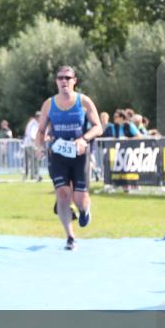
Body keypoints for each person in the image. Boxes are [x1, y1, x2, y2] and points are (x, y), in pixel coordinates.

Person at [34, 66, 102, 251]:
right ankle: (70, 237)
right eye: (60, 78)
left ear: (74, 81)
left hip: (79, 155)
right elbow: (40, 131)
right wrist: (40, 146)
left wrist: (84, 139)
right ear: (56, 81)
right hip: (57, 155)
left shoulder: (84, 101)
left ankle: (84, 210)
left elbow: (98, 127)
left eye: (67, 78)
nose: (64, 81)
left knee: (79, 198)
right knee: (63, 194)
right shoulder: (49, 104)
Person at [22, 113, 42, 181]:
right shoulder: (34, 124)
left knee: (29, 161)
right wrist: (37, 143)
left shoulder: (31, 122)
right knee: (34, 160)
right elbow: (32, 135)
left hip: (27, 144)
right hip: (31, 144)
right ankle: (34, 175)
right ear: (38, 117)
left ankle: (27, 175)